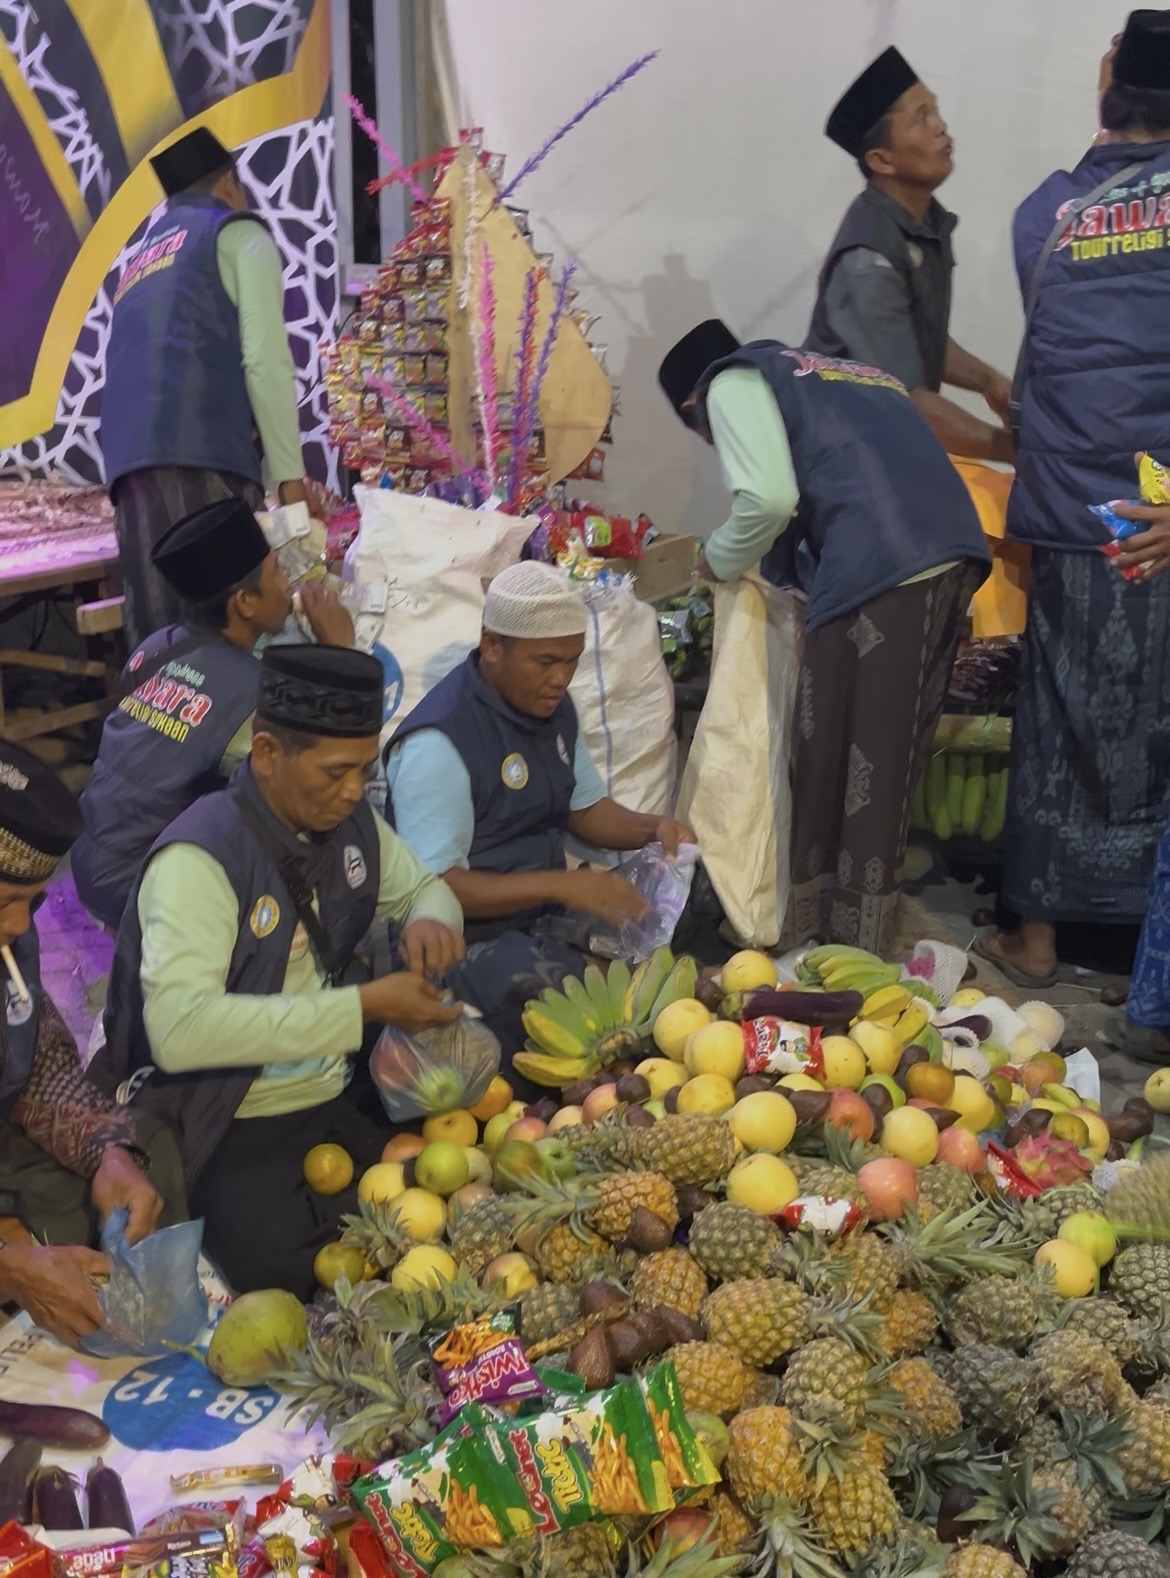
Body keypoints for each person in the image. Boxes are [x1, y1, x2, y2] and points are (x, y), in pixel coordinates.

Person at [94, 645, 464, 1300]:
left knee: (435, 1220)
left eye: (364, 770)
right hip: (229, 1113)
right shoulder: (199, 859)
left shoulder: (349, 823)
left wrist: (431, 920)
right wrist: (362, 1007)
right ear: (266, 754)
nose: (355, 791)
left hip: (333, 1088)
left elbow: (423, 890)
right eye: (336, 772)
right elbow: (180, 1031)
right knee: (289, 1281)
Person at [658, 319, 989, 955]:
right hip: (950, 553)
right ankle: (844, 934)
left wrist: (717, 559)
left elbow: (768, 500)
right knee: (885, 758)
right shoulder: (841, 375)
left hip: (881, 561)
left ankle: (836, 951)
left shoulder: (729, 382)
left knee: (839, 761)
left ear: (693, 405)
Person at [978, 10, 1170, 989]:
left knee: (1058, 717)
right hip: (1160, 515)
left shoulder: (1041, 214)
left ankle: (1039, 937)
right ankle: (1149, 949)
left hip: (1070, 511)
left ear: (1108, 84)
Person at [383, 562, 693, 1052]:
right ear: (492, 645)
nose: (560, 678)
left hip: (543, 916)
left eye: (571, 661)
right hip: (467, 940)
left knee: (684, 902)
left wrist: (655, 828)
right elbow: (435, 887)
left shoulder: (552, 709)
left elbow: (586, 810)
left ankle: (631, 1003)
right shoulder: (439, 744)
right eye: (546, 661)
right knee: (548, 980)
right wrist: (566, 885)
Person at [72, 498, 352, 931]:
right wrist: (341, 652)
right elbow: (324, 768)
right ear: (245, 602)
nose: (288, 581)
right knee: (314, 825)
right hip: (141, 886)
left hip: (90, 861)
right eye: (277, 571)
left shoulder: (154, 648)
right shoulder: (254, 693)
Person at [0, 743, 185, 1349]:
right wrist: (9, 1262)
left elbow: (40, 1069)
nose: (21, 925)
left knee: (145, 1148)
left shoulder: (9, 944)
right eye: (5, 901)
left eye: (31, 902)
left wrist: (109, 1153)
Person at [100, 127, 306, 648]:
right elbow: (265, 362)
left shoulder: (140, 258)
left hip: (129, 472)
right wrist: (290, 480)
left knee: (159, 637)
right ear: (230, 183)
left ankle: (152, 707)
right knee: (224, 629)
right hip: (205, 453)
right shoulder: (237, 233)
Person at [806, 47, 1013, 463]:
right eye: (921, 118)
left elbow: (917, 336)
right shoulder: (867, 259)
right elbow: (906, 402)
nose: (941, 126)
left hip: (890, 452)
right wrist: (1019, 452)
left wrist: (990, 382)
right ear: (882, 160)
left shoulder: (923, 222)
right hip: (850, 464)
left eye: (935, 110)